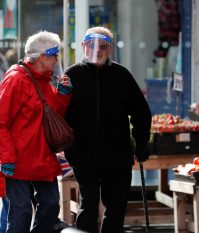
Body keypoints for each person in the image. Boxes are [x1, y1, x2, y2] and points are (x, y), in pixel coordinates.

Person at [64, 26, 152, 233]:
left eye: (102, 46)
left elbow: (141, 112)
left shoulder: (122, 75)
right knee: (89, 204)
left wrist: (141, 142)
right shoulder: (71, 75)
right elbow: (59, 113)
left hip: (117, 156)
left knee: (116, 207)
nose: (97, 50)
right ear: (84, 46)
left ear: (110, 49)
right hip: (83, 155)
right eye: (92, 45)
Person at [0, 30, 72, 233]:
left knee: (52, 205)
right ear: (43, 56)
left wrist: (63, 95)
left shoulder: (44, 80)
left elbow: (53, 116)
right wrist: (7, 158)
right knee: (21, 214)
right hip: (18, 160)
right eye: (55, 55)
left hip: (41, 157)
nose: (57, 60)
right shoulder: (15, 79)